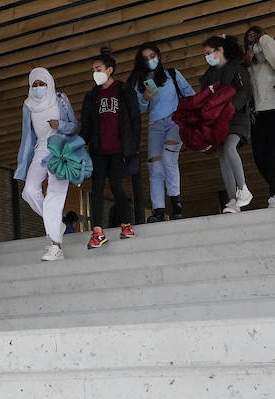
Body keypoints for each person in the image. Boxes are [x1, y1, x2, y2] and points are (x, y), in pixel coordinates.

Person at [79, 49, 142, 248]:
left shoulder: (124, 91)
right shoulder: (91, 96)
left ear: (109, 70)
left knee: (116, 185)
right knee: (96, 190)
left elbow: (135, 120)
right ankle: (97, 232)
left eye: (98, 69)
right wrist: (78, 145)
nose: (95, 73)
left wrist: (133, 146)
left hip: (118, 149)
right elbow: (87, 126)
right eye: (93, 70)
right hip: (98, 150)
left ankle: (126, 224)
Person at [15, 67, 78, 261]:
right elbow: (28, 134)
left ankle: (56, 246)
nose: (38, 87)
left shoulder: (60, 99)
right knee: (29, 191)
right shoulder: (28, 105)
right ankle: (57, 224)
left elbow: (75, 125)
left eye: (42, 84)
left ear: (49, 83)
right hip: (41, 148)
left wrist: (61, 125)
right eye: (34, 84)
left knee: (54, 196)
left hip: (61, 147)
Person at [131, 42, 195, 222]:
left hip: (176, 121)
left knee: (169, 159)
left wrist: (193, 115)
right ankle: (158, 210)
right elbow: (139, 109)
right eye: (146, 58)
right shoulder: (140, 83)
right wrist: (144, 98)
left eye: (153, 56)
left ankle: (176, 204)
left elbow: (190, 94)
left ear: (158, 56)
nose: (151, 60)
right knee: (155, 167)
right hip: (155, 125)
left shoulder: (172, 74)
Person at [201, 35, 254, 213]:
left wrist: (231, 106)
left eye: (209, 53)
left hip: (237, 116)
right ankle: (233, 200)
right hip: (218, 120)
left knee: (230, 146)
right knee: (222, 154)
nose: (207, 57)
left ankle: (242, 189)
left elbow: (246, 90)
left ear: (220, 50)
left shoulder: (236, 67)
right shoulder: (207, 76)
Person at [244, 26, 275, 208]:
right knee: (258, 156)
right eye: (249, 37)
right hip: (259, 112)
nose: (252, 39)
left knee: (273, 153)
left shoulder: (268, 50)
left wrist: (263, 41)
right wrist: (247, 60)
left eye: (255, 35)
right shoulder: (249, 65)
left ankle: (273, 195)